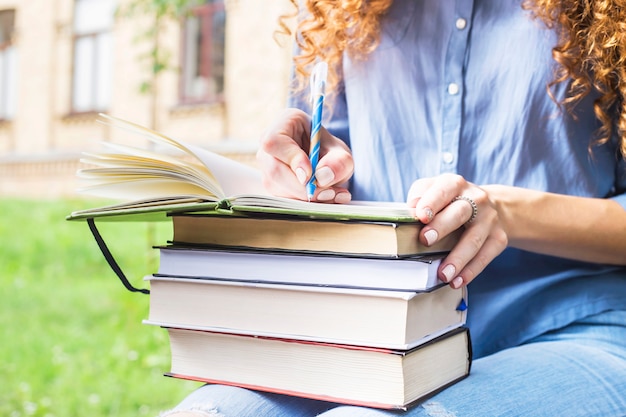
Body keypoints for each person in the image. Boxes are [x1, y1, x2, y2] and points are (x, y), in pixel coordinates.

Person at [162, 0, 626, 416]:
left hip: (568, 324)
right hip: (377, 333)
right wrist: (312, 171)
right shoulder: (336, 9)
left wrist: (506, 211)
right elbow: (332, 152)